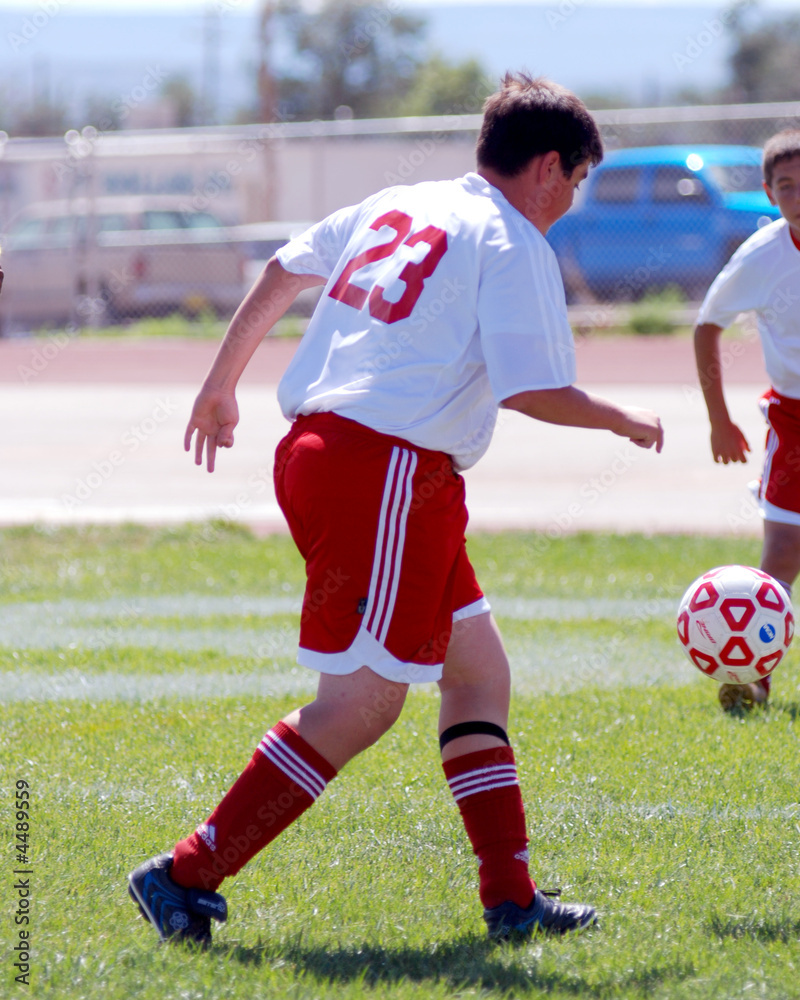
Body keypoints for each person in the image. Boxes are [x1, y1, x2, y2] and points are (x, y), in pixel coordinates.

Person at [128, 72, 664, 948]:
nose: (570, 201)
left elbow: (283, 269)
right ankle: (184, 873)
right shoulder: (510, 237)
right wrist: (622, 418)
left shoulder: (400, 200)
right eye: (575, 180)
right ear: (547, 167)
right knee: (364, 704)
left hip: (348, 459)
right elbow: (533, 389)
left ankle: (511, 899)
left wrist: (220, 384)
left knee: (479, 674)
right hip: (384, 472)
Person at [694, 128, 800, 712]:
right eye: (786, 186)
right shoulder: (761, 256)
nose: (798, 196)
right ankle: (754, 673)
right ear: (768, 192)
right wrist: (719, 419)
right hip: (794, 419)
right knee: (781, 552)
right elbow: (707, 325)